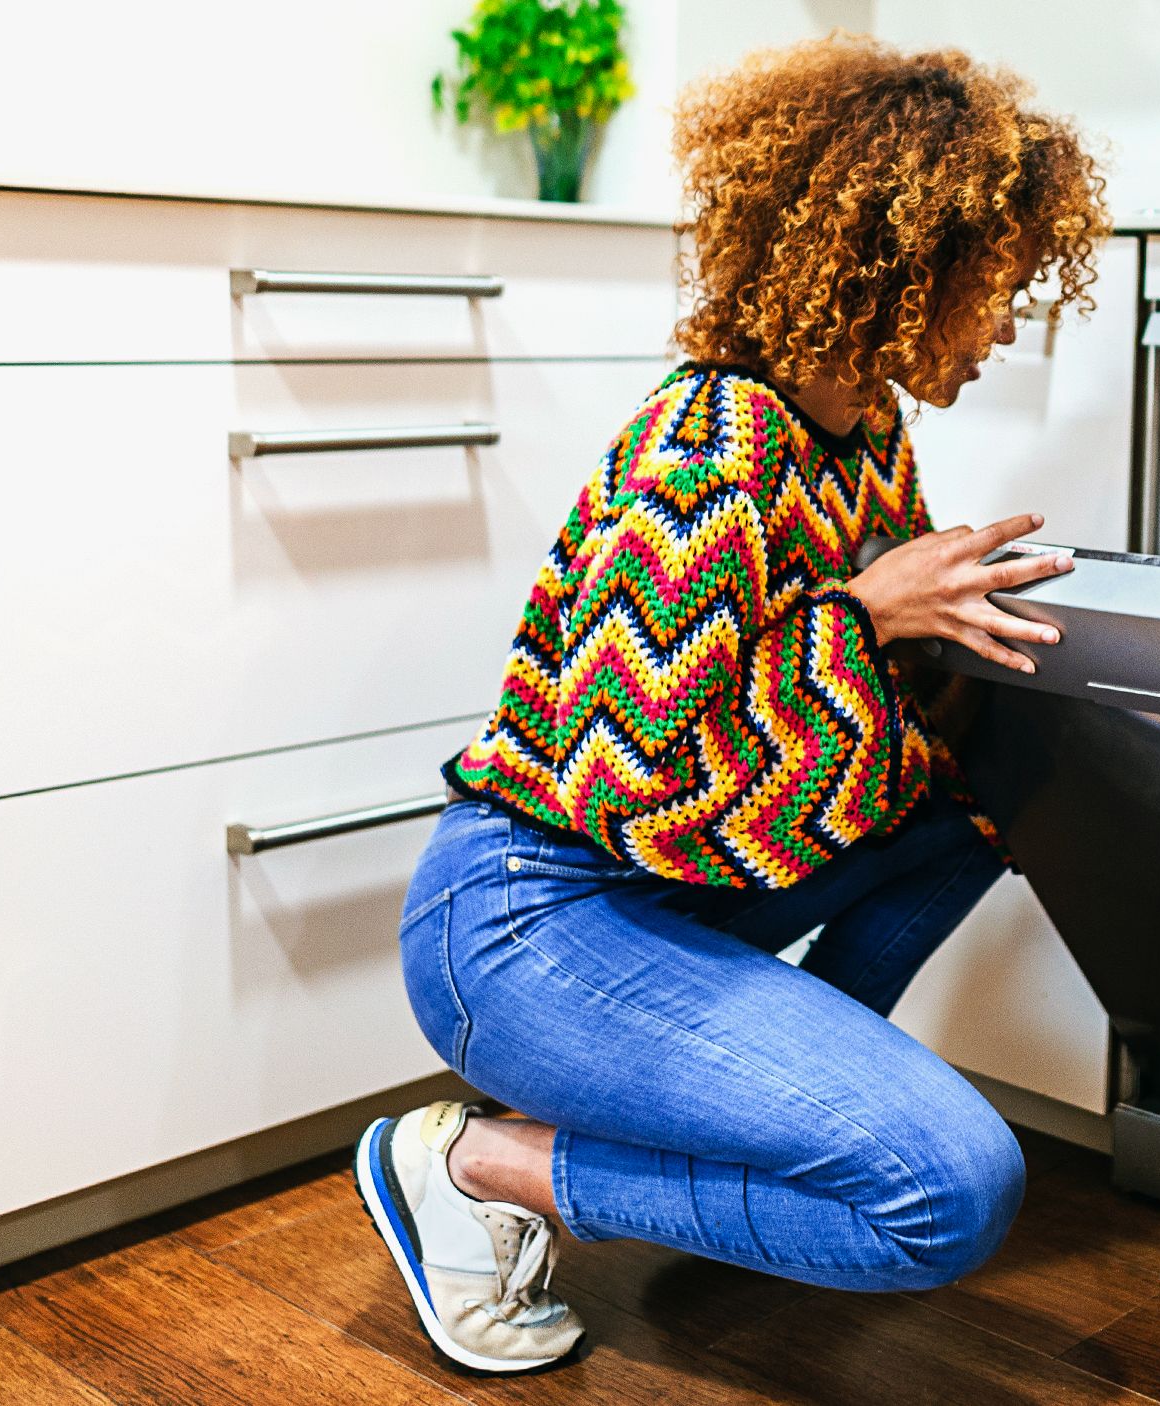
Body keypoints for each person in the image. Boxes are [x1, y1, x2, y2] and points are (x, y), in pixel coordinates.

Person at [352, 34, 1110, 1374]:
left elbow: (855, 717)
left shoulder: (865, 428)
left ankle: (741, 1117)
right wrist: (868, 615)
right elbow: (627, 757)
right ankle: (477, 1163)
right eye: (990, 285)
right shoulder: (708, 445)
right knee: (949, 1190)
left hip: (661, 895)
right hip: (527, 918)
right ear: (899, 264)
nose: (1004, 323)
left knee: (985, 801)